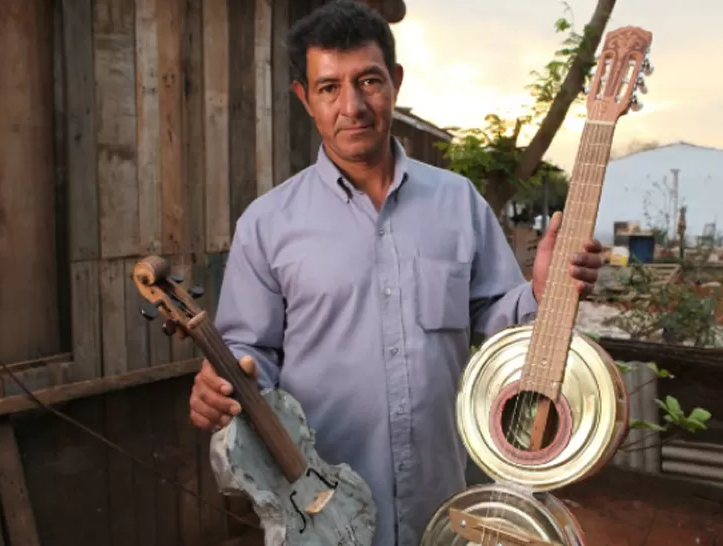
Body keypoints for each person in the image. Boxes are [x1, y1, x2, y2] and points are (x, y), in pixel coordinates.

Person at [188, 2, 603, 545]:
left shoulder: (459, 203)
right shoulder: (268, 225)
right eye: (329, 87)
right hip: (322, 521)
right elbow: (250, 359)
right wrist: (219, 389)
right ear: (304, 99)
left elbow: (499, 327)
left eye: (368, 81)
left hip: (447, 512)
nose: (352, 106)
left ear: (396, 81)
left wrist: (542, 293)